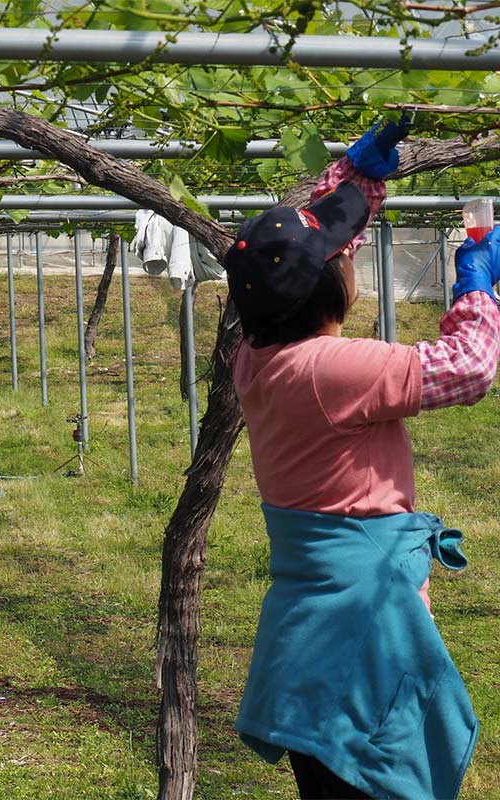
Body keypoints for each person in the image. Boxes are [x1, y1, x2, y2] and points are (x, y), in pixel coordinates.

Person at [224, 118, 499, 799]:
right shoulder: (334, 370)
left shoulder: (256, 359)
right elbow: (470, 370)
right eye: (343, 260)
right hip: (359, 637)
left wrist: (355, 180)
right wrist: (477, 288)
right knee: (379, 780)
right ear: (329, 292)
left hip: (310, 635)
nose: (349, 259)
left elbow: (307, 249)